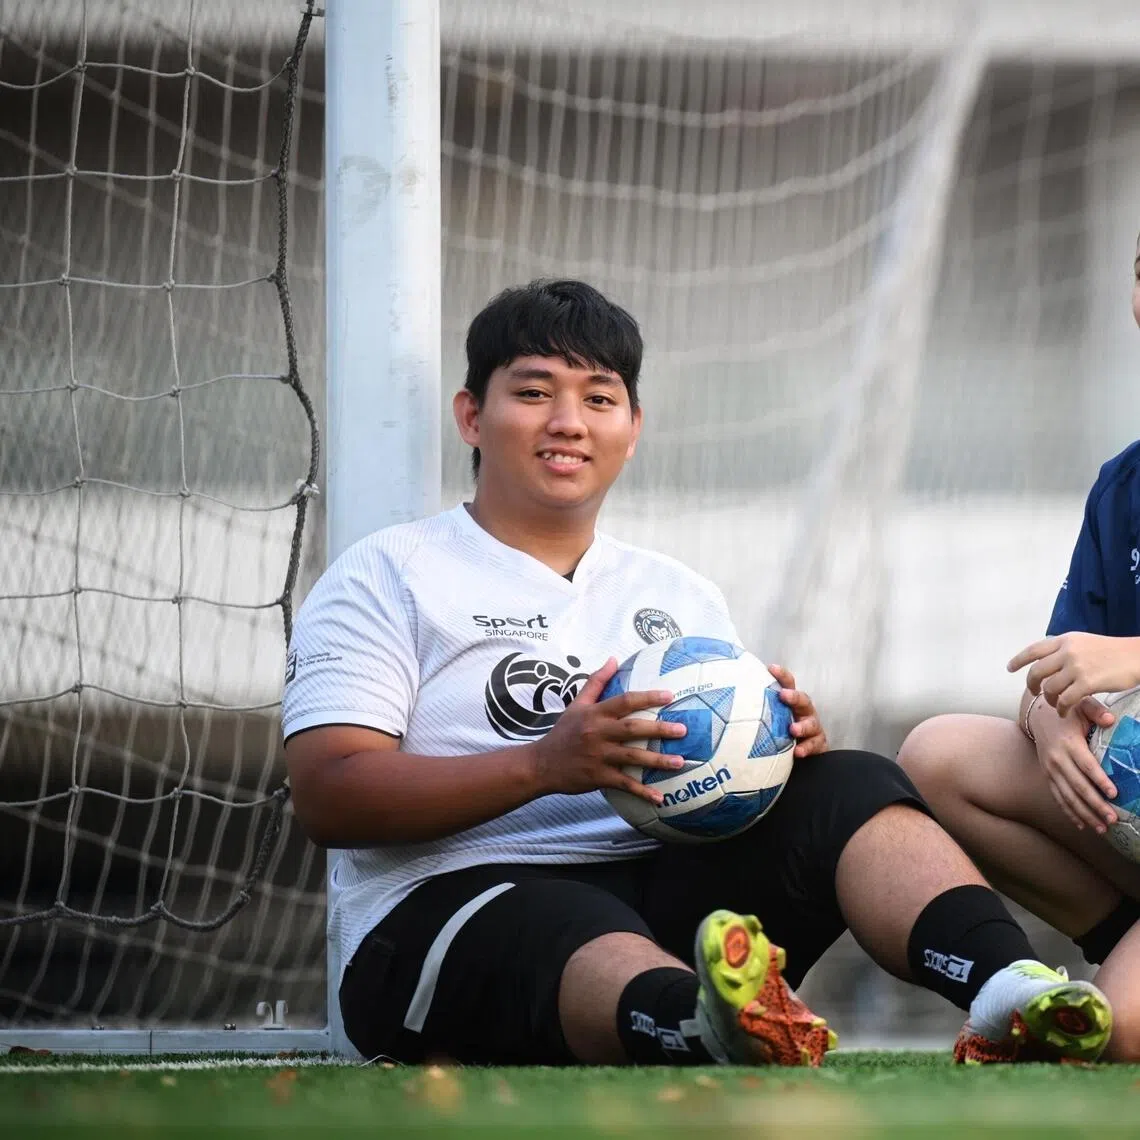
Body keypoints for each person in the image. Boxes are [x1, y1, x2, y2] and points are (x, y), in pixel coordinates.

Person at [283, 279, 1112, 1068]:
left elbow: (723, 795)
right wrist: (545, 765)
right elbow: (330, 795)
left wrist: (779, 757)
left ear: (632, 427)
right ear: (471, 415)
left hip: (662, 893)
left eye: (599, 398)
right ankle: (709, 1023)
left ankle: (1013, 994)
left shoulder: (676, 596)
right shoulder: (388, 574)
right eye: (534, 392)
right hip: (452, 910)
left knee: (854, 784)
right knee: (571, 917)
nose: (569, 421)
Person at [898, 238, 1140, 1062]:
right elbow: (1050, 673)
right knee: (937, 755)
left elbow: (1117, 659)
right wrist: (1049, 728)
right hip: (1128, 811)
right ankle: (1121, 934)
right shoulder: (1124, 484)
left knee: (1122, 1036)